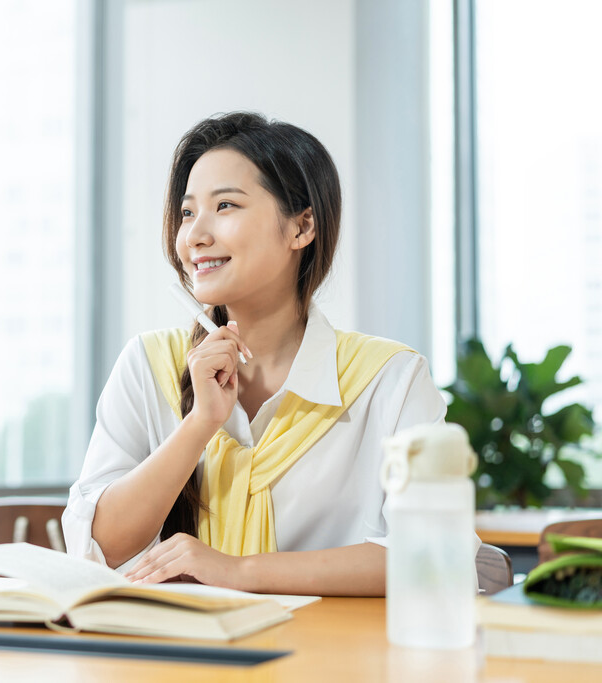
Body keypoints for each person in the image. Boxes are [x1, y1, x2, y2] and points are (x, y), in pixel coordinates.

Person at [61, 112, 446, 596]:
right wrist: (199, 423)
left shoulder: (391, 380)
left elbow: (435, 554)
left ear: (302, 226)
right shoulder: (147, 364)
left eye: (225, 206)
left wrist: (238, 571)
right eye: (186, 213)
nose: (195, 235)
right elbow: (97, 545)